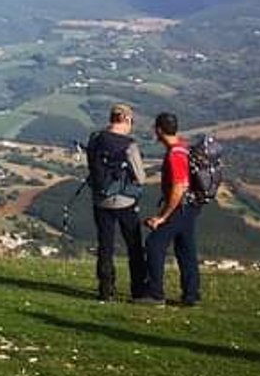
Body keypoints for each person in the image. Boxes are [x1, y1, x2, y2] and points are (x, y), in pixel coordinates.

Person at [85, 103, 149, 302]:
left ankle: (106, 290)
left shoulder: (95, 139)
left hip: (101, 200)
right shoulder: (129, 145)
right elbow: (141, 177)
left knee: (105, 246)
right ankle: (138, 289)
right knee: (134, 246)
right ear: (127, 120)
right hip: (125, 201)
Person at [142, 111, 202, 306]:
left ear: (159, 130)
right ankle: (191, 295)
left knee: (154, 244)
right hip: (191, 206)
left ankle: (155, 294)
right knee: (186, 249)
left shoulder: (175, 154)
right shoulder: (184, 147)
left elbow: (179, 186)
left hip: (179, 207)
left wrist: (163, 217)